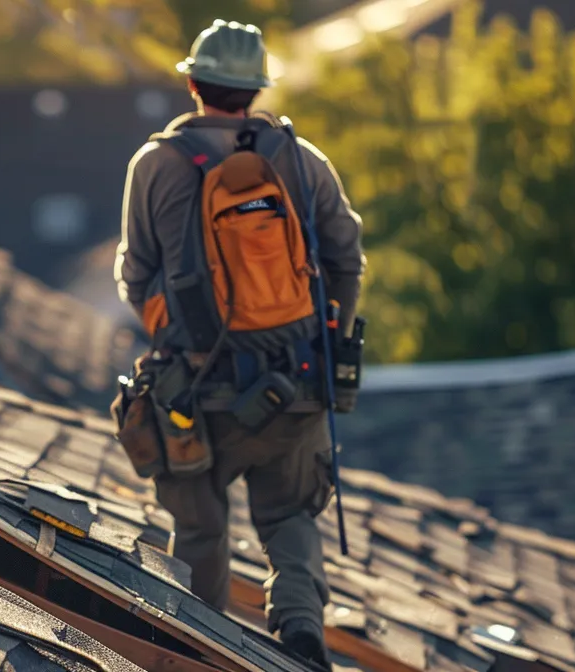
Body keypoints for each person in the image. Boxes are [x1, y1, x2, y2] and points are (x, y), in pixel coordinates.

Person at [114, 19, 366, 672]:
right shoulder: (302, 160)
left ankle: (204, 650)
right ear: (255, 91)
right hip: (294, 383)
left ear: (193, 83)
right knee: (289, 516)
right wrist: (331, 339)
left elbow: (134, 273)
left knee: (200, 530)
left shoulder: (156, 164)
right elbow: (348, 256)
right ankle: (301, 627)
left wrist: (178, 330)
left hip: (192, 393)